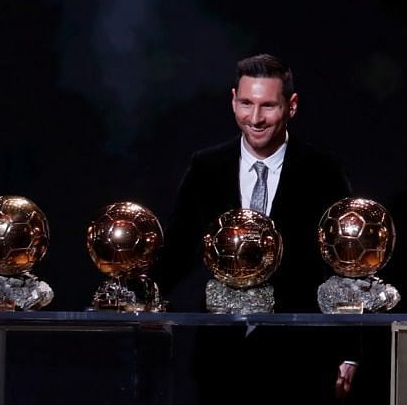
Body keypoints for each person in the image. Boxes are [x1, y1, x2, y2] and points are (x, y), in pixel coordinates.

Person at [152, 53, 359, 404]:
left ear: (291, 106)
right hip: (219, 355)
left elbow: (344, 266)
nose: (256, 118)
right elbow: (176, 250)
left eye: (268, 106)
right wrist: (139, 299)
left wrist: (350, 351)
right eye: (246, 103)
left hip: (299, 357)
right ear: (233, 100)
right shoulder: (206, 167)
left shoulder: (323, 170)